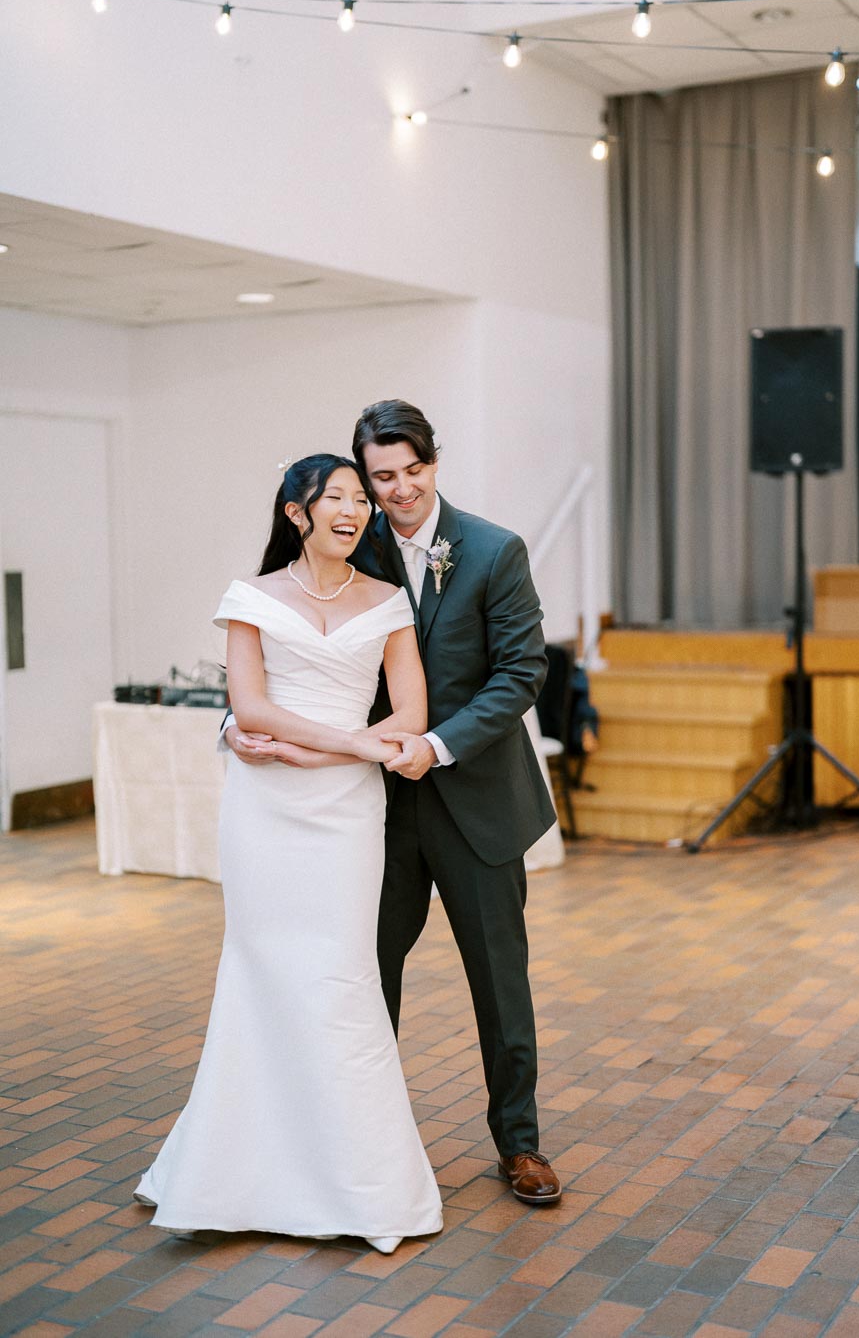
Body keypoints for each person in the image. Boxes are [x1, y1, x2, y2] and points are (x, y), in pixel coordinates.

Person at [227, 402, 562, 1205]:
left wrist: (436, 744)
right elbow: (283, 648)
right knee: (363, 973)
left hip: (475, 798)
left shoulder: (491, 549)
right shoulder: (348, 540)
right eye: (382, 478)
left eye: (414, 472)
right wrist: (234, 723)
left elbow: (521, 672)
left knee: (499, 981)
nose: (400, 490)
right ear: (361, 481)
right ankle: (354, 1137)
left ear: (433, 464)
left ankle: (520, 1144)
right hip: (370, 807)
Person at [135, 454, 443, 1254]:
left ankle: (359, 1183)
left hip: (345, 811)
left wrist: (335, 756)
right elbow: (251, 705)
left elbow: (411, 709)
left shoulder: (387, 601)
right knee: (261, 969)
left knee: (341, 973)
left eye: (358, 499)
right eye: (333, 497)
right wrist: (347, 744)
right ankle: (234, 1174)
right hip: (267, 809)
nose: (353, 509)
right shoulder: (252, 598)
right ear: (297, 512)